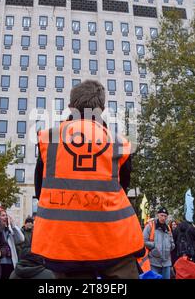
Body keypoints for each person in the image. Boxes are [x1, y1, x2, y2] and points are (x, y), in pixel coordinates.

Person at [32, 80, 144, 279]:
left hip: (63, 242)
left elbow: (40, 191)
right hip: (114, 239)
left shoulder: (50, 139)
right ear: (102, 109)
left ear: (70, 107)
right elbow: (122, 189)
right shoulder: (118, 142)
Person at [143, 207, 175, 279]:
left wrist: (171, 246)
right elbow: (143, 241)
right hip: (154, 262)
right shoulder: (150, 226)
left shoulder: (168, 228)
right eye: (162, 215)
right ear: (158, 215)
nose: (163, 218)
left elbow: (172, 242)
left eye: (165, 216)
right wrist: (154, 246)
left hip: (166, 262)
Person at [0, 209, 24, 279]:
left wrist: (13, 225)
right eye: (3, 215)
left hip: (11, 263)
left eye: (6, 215)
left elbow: (21, 239)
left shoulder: (9, 230)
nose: (6, 217)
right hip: (0, 263)